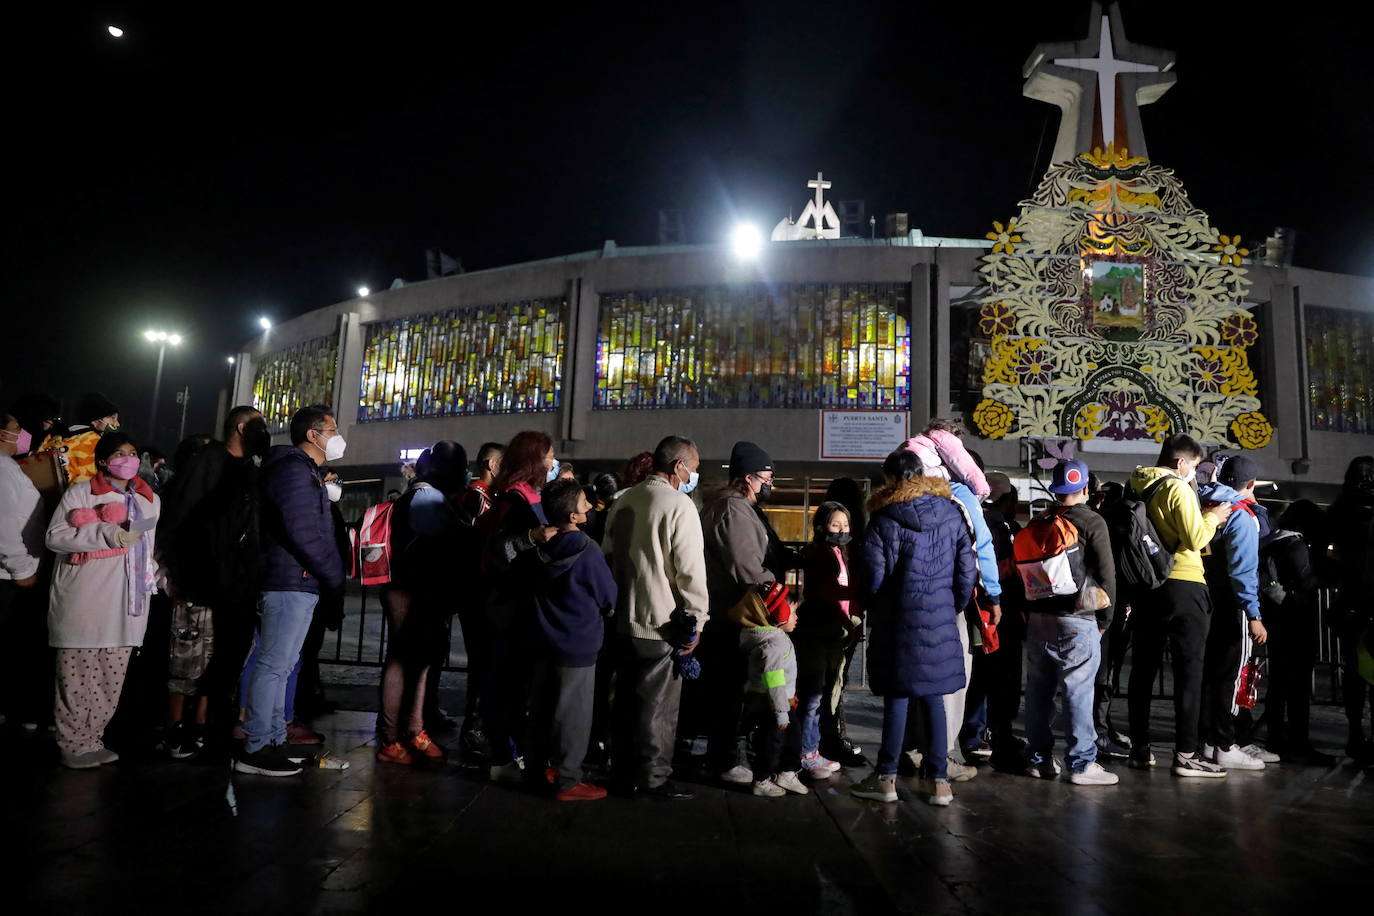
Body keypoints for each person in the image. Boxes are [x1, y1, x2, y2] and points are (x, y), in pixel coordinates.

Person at [851, 448, 976, 807]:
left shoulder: (884, 518)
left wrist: (877, 605)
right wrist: (951, 605)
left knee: (898, 698)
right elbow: (967, 571)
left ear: (890, 478)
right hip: (938, 615)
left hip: (898, 618)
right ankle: (940, 783)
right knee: (934, 697)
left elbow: (873, 577)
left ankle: (886, 778)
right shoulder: (951, 513)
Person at [234, 406, 346, 777]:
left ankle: (273, 738)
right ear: (313, 435)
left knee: (281, 666)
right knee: (273, 664)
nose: (337, 435)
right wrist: (333, 573)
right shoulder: (294, 471)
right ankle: (256, 747)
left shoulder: (303, 471)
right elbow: (304, 532)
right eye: (331, 429)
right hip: (289, 579)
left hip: (297, 579)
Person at [156, 407, 268, 757]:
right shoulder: (208, 462)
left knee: (222, 658)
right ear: (240, 426)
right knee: (188, 657)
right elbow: (180, 519)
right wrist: (178, 573)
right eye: (258, 424)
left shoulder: (250, 469)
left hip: (236, 583)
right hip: (201, 578)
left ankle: (203, 724)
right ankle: (175, 727)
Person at [45, 431, 159, 768]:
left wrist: (154, 573)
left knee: (111, 676)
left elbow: (148, 546)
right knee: (78, 675)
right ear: (102, 461)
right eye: (119, 453)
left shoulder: (149, 498)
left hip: (128, 601)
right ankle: (72, 743)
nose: (128, 458)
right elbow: (56, 537)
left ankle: (93, 738)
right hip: (86, 598)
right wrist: (104, 533)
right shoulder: (81, 493)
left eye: (133, 451)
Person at [602, 435, 708, 799]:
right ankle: (653, 778)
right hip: (660, 622)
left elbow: (607, 557)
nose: (694, 475)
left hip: (620, 619)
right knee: (658, 709)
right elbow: (690, 572)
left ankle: (621, 771)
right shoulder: (680, 505)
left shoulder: (624, 499)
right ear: (678, 466)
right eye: (693, 468)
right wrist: (697, 619)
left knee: (623, 703)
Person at [1126, 434, 1234, 778]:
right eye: (1194, 466)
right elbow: (1195, 538)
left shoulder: (1137, 486)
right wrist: (1214, 517)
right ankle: (1187, 753)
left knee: (1143, 670)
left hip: (1149, 585)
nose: (1195, 474)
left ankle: (1140, 748)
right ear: (1180, 462)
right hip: (1184, 583)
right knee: (1189, 671)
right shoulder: (1177, 488)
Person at [902, 427, 998, 779]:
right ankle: (941, 757)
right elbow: (979, 550)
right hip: (947, 603)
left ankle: (910, 748)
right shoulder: (959, 497)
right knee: (952, 678)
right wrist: (992, 595)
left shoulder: (897, 499)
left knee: (910, 678)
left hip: (906, 604)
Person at [1020, 459, 1119, 786]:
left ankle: (1040, 759)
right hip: (1077, 619)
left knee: (1038, 691)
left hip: (1038, 619)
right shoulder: (1093, 521)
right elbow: (1107, 576)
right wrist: (1104, 620)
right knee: (1078, 690)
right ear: (1087, 488)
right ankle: (1081, 763)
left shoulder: (1041, 520)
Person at [375, 442, 471, 764]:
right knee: (406, 662)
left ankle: (410, 731)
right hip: (415, 591)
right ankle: (396, 736)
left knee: (414, 661)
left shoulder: (418, 495)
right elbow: (437, 550)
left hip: (408, 588)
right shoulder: (428, 498)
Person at [697, 441, 784, 784]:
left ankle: (728, 754)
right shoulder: (734, 511)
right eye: (767, 476)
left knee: (731, 688)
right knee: (729, 689)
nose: (770, 482)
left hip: (728, 611)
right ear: (748, 478)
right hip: (731, 613)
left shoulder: (733, 507)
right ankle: (725, 758)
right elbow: (746, 567)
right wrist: (777, 593)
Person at [527, 479, 618, 801]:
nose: (590, 507)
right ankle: (567, 779)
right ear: (574, 517)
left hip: (543, 641)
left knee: (542, 710)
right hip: (577, 644)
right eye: (584, 504)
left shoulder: (540, 549)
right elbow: (608, 596)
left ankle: (539, 768)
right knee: (574, 716)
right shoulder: (587, 550)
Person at [478, 431, 559, 783]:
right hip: (508, 606)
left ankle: (511, 752)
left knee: (514, 683)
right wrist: (530, 539)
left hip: (519, 604)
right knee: (506, 684)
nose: (552, 463)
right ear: (533, 460)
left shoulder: (525, 497)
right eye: (548, 456)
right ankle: (502, 756)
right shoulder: (514, 501)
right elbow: (497, 552)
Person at [1197, 455, 1272, 770]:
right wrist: (1253, 614)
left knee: (1208, 676)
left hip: (1203, 599)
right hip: (1232, 604)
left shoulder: (1203, 506)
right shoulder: (1241, 515)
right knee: (1229, 676)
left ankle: (1207, 740)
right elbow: (1243, 571)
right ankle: (1225, 745)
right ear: (1252, 484)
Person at [1261, 500, 1337, 764]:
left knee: (1279, 683)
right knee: (1298, 686)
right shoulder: (1296, 545)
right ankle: (1298, 743)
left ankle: (1275, 738)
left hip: (1275, 620)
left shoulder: (1272, 541)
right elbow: (1307, 581)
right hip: (1294, 621)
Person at [790, 502, 857, 779]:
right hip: (819, 629)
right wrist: (848, 618)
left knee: (822, 692)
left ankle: (812, 751)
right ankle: (806, 754)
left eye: (845, 525)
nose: (841, 530)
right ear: (821, 527)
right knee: (813, 695)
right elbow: (825, 592)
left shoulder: (837, 551)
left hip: (831, 630)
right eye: (835, 525)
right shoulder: (821, 553)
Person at [732, 583, 807, 797]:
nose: (796, 617)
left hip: (782, 700)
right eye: (793, 612)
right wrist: (782, 711)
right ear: (779, 615)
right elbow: (774, 681)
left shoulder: (773, 637)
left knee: (793, 735)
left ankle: (787, 771)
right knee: (771, 741)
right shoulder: (772, 644)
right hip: (772, 703)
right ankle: (762, 779)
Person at [454, 440, 503, 761]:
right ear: (491, 465)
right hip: (477, 592)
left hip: (477, 591)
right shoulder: (475, 498)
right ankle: (473, 729)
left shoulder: (481, 498)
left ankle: (477, 726)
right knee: (482, 663)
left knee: (484, 663)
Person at [818, 476, 869, 767]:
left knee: (828, 680)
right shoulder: (858, 539)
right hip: (849, 617)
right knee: (837, 680)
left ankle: (827, 736)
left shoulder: (825, 543)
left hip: (829, 617)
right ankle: (831, 738)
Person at [1, 407, 45, 727]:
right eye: (17, 428)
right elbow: (3, 525)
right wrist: (21, 568)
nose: (22, 434)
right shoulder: (2, 470)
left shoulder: (9, 467)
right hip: (8, 574)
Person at [1328, 455, 1374, 764]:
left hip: (1350, 600)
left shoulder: (1339, 509)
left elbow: (1329, 552)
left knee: (1352, 671)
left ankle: (1355, 732)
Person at [39, 392, 121, 485]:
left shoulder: (62, 436)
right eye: (113, 418)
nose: (117, 424)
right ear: (95, 420)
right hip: (82, 492)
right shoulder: (94, 440)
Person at [463, 441, 504, 519]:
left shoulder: (495, 494)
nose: (508, 470)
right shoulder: (475, 496)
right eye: (504, 464)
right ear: (492, 465)